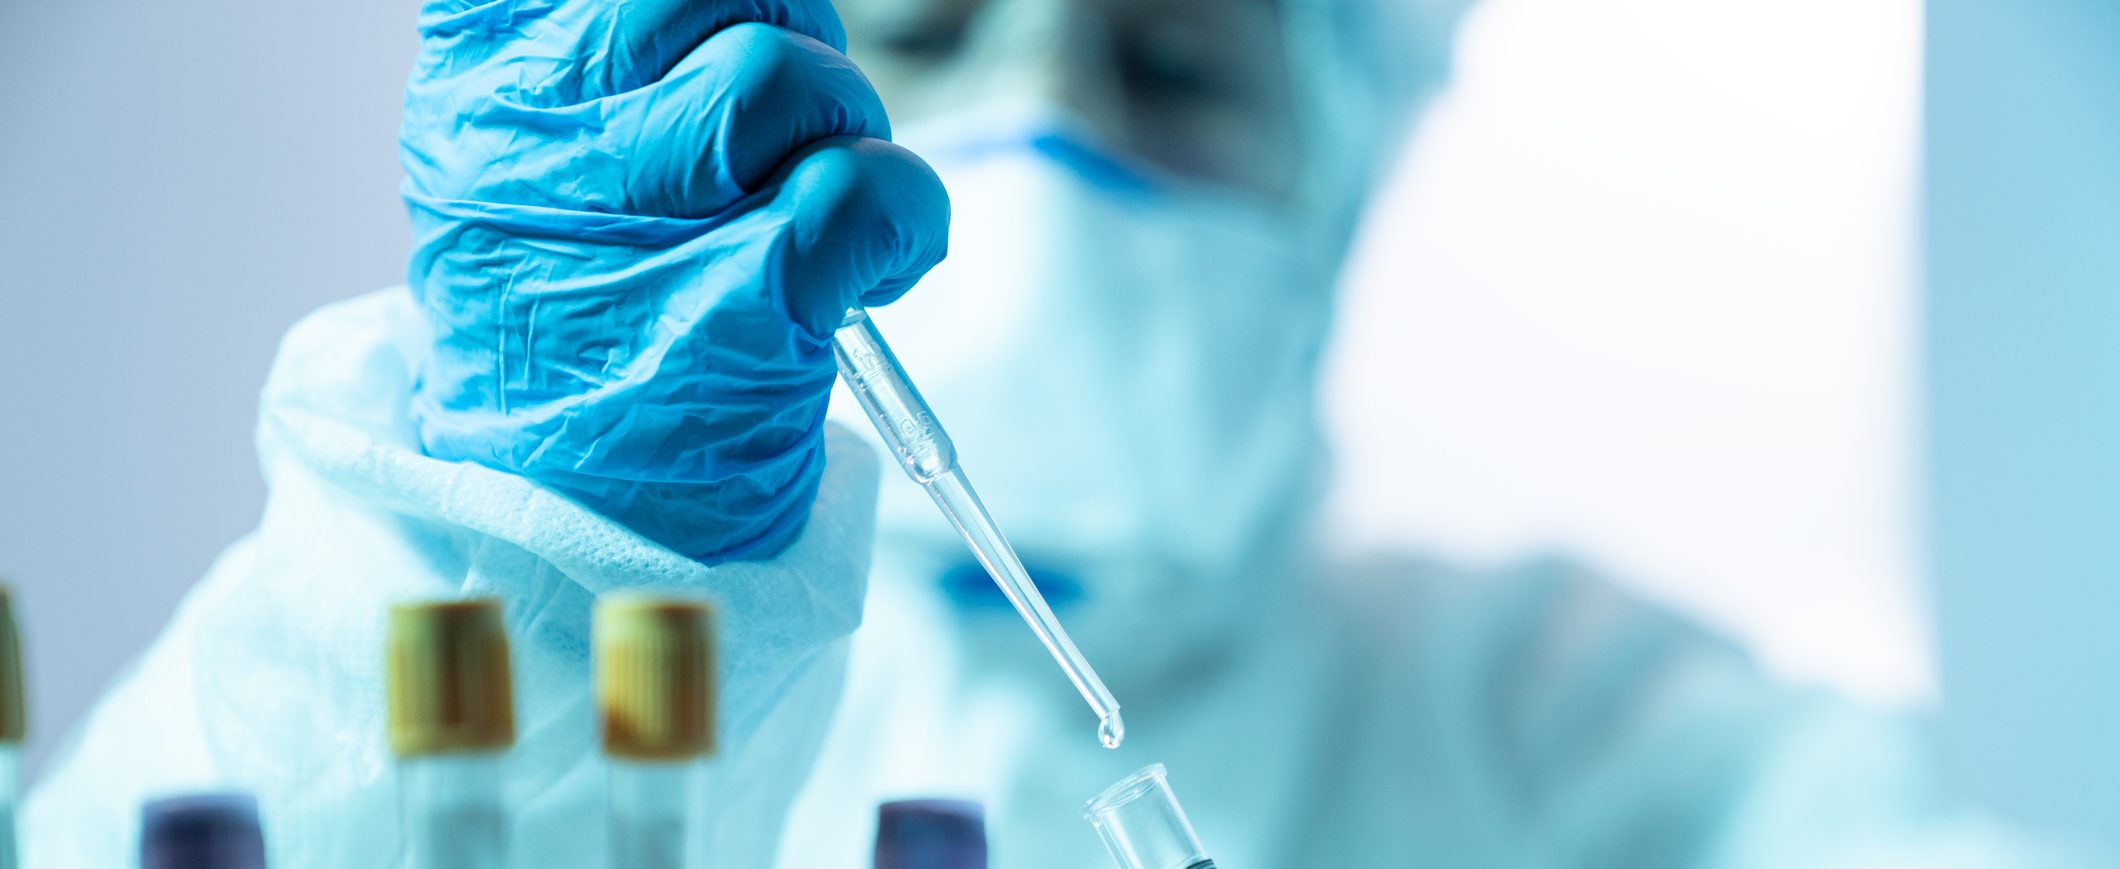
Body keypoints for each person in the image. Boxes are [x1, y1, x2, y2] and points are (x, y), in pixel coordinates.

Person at [21, 0, 2086, 865]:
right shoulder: (540, 654)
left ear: (1344, 151)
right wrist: (527, 573)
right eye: (920, 26)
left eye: (1176, 58)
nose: (1051, 126)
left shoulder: (1568, 741)